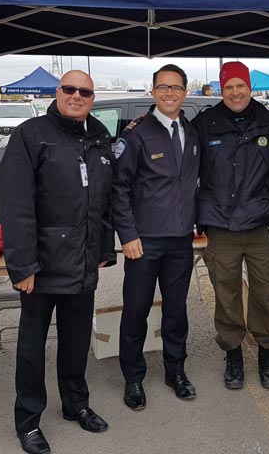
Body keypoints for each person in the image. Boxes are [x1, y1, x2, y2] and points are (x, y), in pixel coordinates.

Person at [1, 70, 114, 454]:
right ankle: (28, 420)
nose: (77, 96)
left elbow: (104, 201)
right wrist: (22, 266)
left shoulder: (98, 138)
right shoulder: (31, 135)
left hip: (83, 263)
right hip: (42, 266)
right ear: (58, 92)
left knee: (77, 340)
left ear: (93, 97)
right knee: (32, 346)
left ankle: (76, 404)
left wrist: (103, 249)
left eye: (85, 91)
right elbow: (15, 206)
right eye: (70, 89)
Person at [111, 64, 199, 410]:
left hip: (180, 239)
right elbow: (119, 190)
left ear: (185, 93)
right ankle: (133, 379)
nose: (169, 93)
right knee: (136, 310)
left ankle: (175, 371)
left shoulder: (190, 133)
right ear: (152, 92)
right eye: (163, 87)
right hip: (144, 241)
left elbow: (195, 183)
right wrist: (128, 235)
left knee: (177, 311)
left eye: (176, 88)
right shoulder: (136, 135)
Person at [192, 61, 269, 390]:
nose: (235, 92)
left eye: (240, 86)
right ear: (221, 89)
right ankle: (232, 352)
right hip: (220, 226)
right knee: (226, 293)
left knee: (264, 292)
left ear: (249, 87)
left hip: (260, 225)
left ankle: (266, 351)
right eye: (228, 87)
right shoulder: (205, 123)